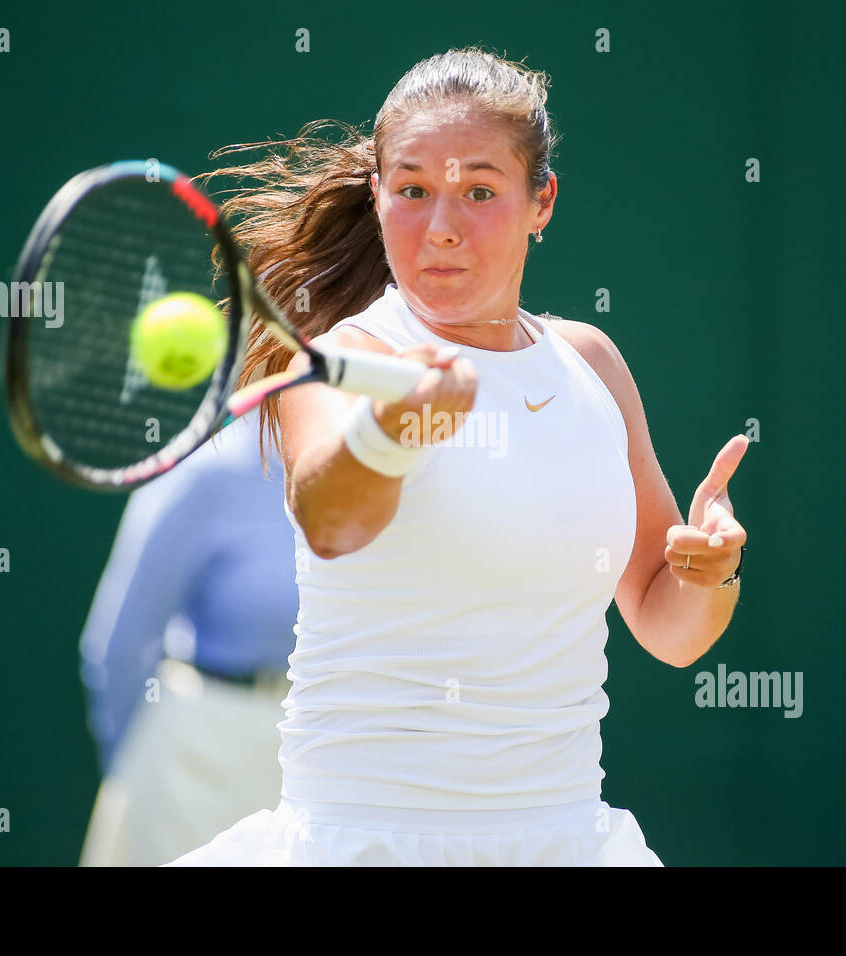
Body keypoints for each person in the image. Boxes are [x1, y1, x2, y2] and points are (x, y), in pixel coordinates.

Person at [169, 45, 748, 867]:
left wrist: (707, 572)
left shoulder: (593, 365)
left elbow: (670, 626)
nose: (441, 226)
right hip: (360, 844)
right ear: (376, 197)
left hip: (567, 841)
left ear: (539, 201)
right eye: (411, 190)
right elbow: (331, 520)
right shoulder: (335, 359)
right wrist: (395, 432)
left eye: (479, 191)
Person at [78, 411, 298, 866]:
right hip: (199, 765)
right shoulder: (209, 467)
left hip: (325, 757)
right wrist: (143, 781)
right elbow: (119, 647)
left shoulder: (396, 463)